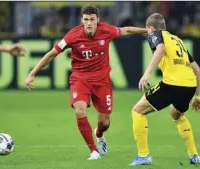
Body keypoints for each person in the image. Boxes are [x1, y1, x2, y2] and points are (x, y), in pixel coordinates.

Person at [25, 5, 147, 160]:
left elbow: (127, 30)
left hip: (102, 81)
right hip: (80, 79)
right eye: (86, 20)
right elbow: (51, 54)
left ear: (98, 20)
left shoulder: (106, 30)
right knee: (80, 110)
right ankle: (94, 151)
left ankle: (99, 135)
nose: (89, 23)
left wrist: (148, 31)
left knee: (105, 123)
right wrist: (32, 73)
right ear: (81, 20)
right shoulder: (72, 36)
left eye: (92, 20)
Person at [129, 13, 200, 166]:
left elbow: (160, 49)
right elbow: (198, 71)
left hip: (172, 84)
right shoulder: (178, 40)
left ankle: (143, 155)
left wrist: (147, 74)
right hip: (189, 86)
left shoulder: (155, 34)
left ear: (150, 28)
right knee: (176, 114)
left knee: (137, 111)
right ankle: (194, 155)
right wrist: (197, 97)